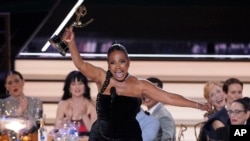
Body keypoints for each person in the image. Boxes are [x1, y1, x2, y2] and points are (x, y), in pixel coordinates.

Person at [62, 26, 210, 141]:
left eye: (122, 61)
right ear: (108, 65)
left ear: (128, 63)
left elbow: (170, 98)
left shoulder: (140, 85)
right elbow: (80, 64)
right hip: (101, 136)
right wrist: (71, 42)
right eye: (113, 63)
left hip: (129, 137)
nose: (118, 67)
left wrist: (198, 105)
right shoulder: (102, 78)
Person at [54, 70, 97, 137]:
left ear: (85, 87)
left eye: (80, 83)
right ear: (69, 88)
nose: (77, 87)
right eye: (73, 84)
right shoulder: (62, 105)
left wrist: (84, 115)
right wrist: (66, 121)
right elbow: (56, 130)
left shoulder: (91, 105)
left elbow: (94, 132)